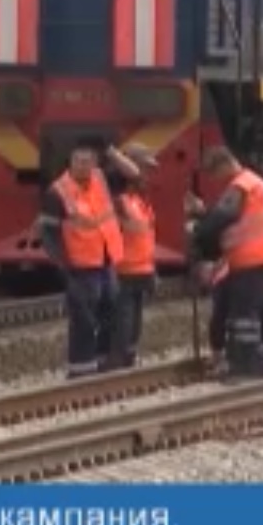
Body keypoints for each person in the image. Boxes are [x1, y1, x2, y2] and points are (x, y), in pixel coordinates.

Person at [186, 146, 263, 380]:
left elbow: (224, 216)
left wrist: (197, 230)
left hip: (254, 260)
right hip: (252, 260)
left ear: (225, 164)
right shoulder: (250, 183)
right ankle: (248, 365)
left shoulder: (243, 185)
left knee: (244, 319)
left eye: (213, 172)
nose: (214, 179)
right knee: (242, 317)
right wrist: (203, 214)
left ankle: (248, 368)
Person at [38, 143, 124, 379]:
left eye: (88, 162)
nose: (83, 167)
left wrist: (112, 151)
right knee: (84, 318)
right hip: (80, 265)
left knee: (110, 310)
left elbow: (133, 174)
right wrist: (63, 266)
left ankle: (104, 359)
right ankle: (81, 367)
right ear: (71, 162)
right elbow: (49, 234)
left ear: (95, 163)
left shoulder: (100, 179)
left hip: (106, 259)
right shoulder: (58, 192)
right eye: (78, 162)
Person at [106, 144, 161, 369]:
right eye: (144, 168)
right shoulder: (124, 200)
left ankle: (125, 357)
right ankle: (123, 357)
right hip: (128, 267)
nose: (147, 174)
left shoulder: (136, 200)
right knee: (127, 316)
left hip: (136, 268)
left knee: (129, 316)